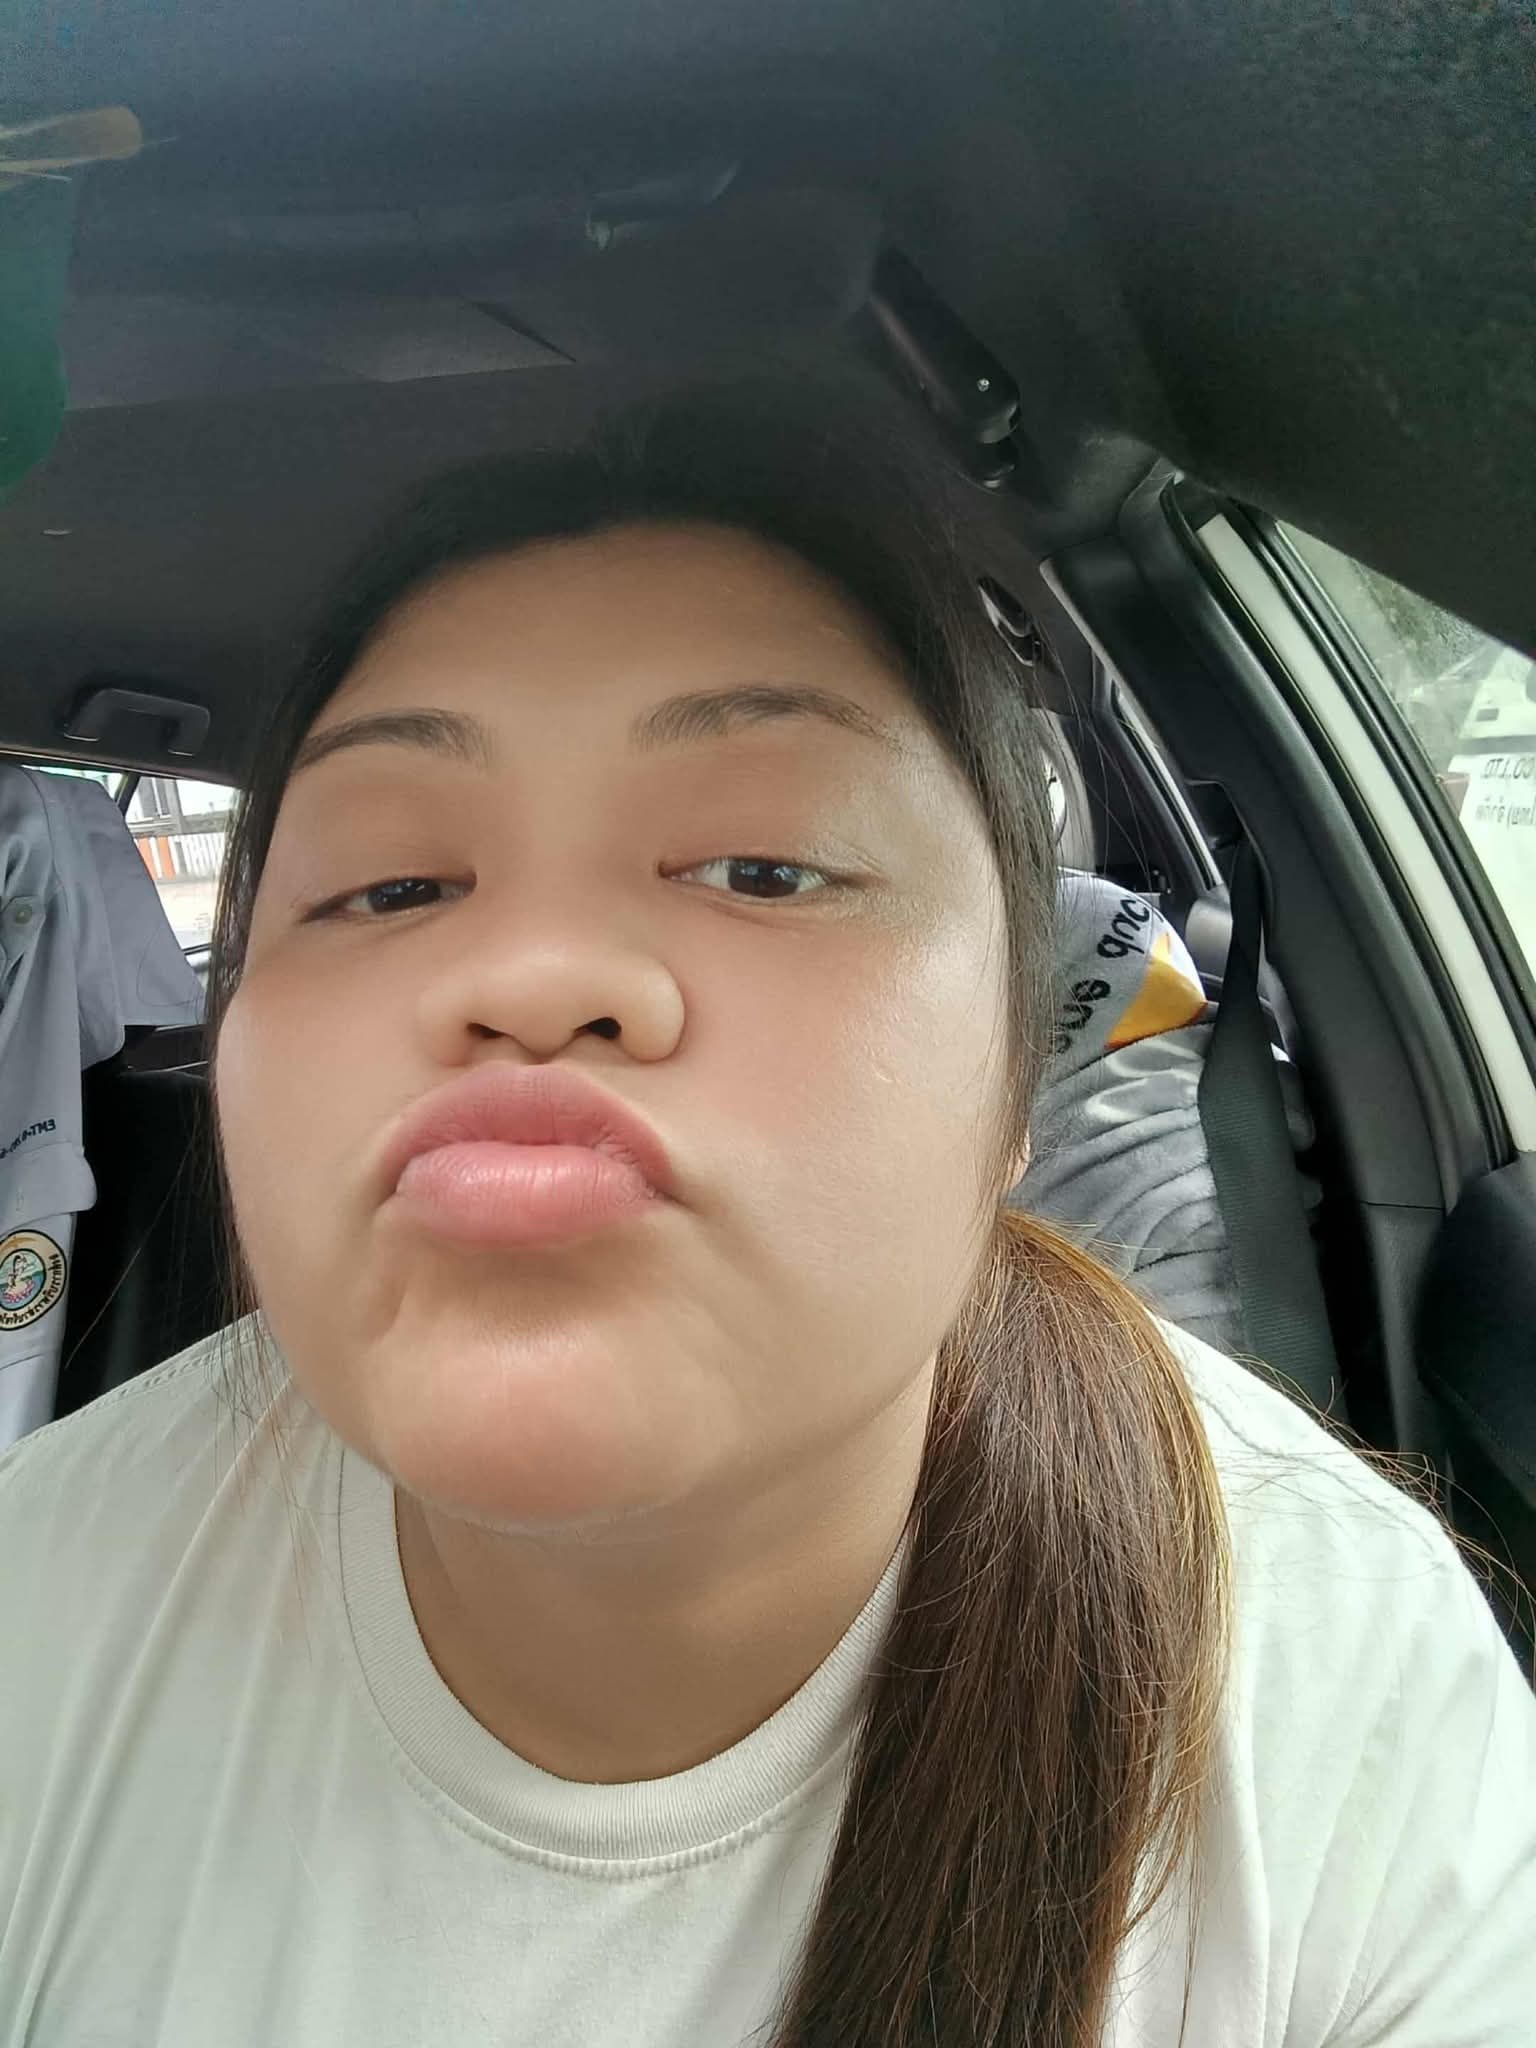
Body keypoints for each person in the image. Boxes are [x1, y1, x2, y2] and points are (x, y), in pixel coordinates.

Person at [0, 388, 1531, 2048]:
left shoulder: (1337, 1701)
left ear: (1013, 1076)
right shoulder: (43, 1603)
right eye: (392, 887)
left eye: (763, 869)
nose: (533, 974)